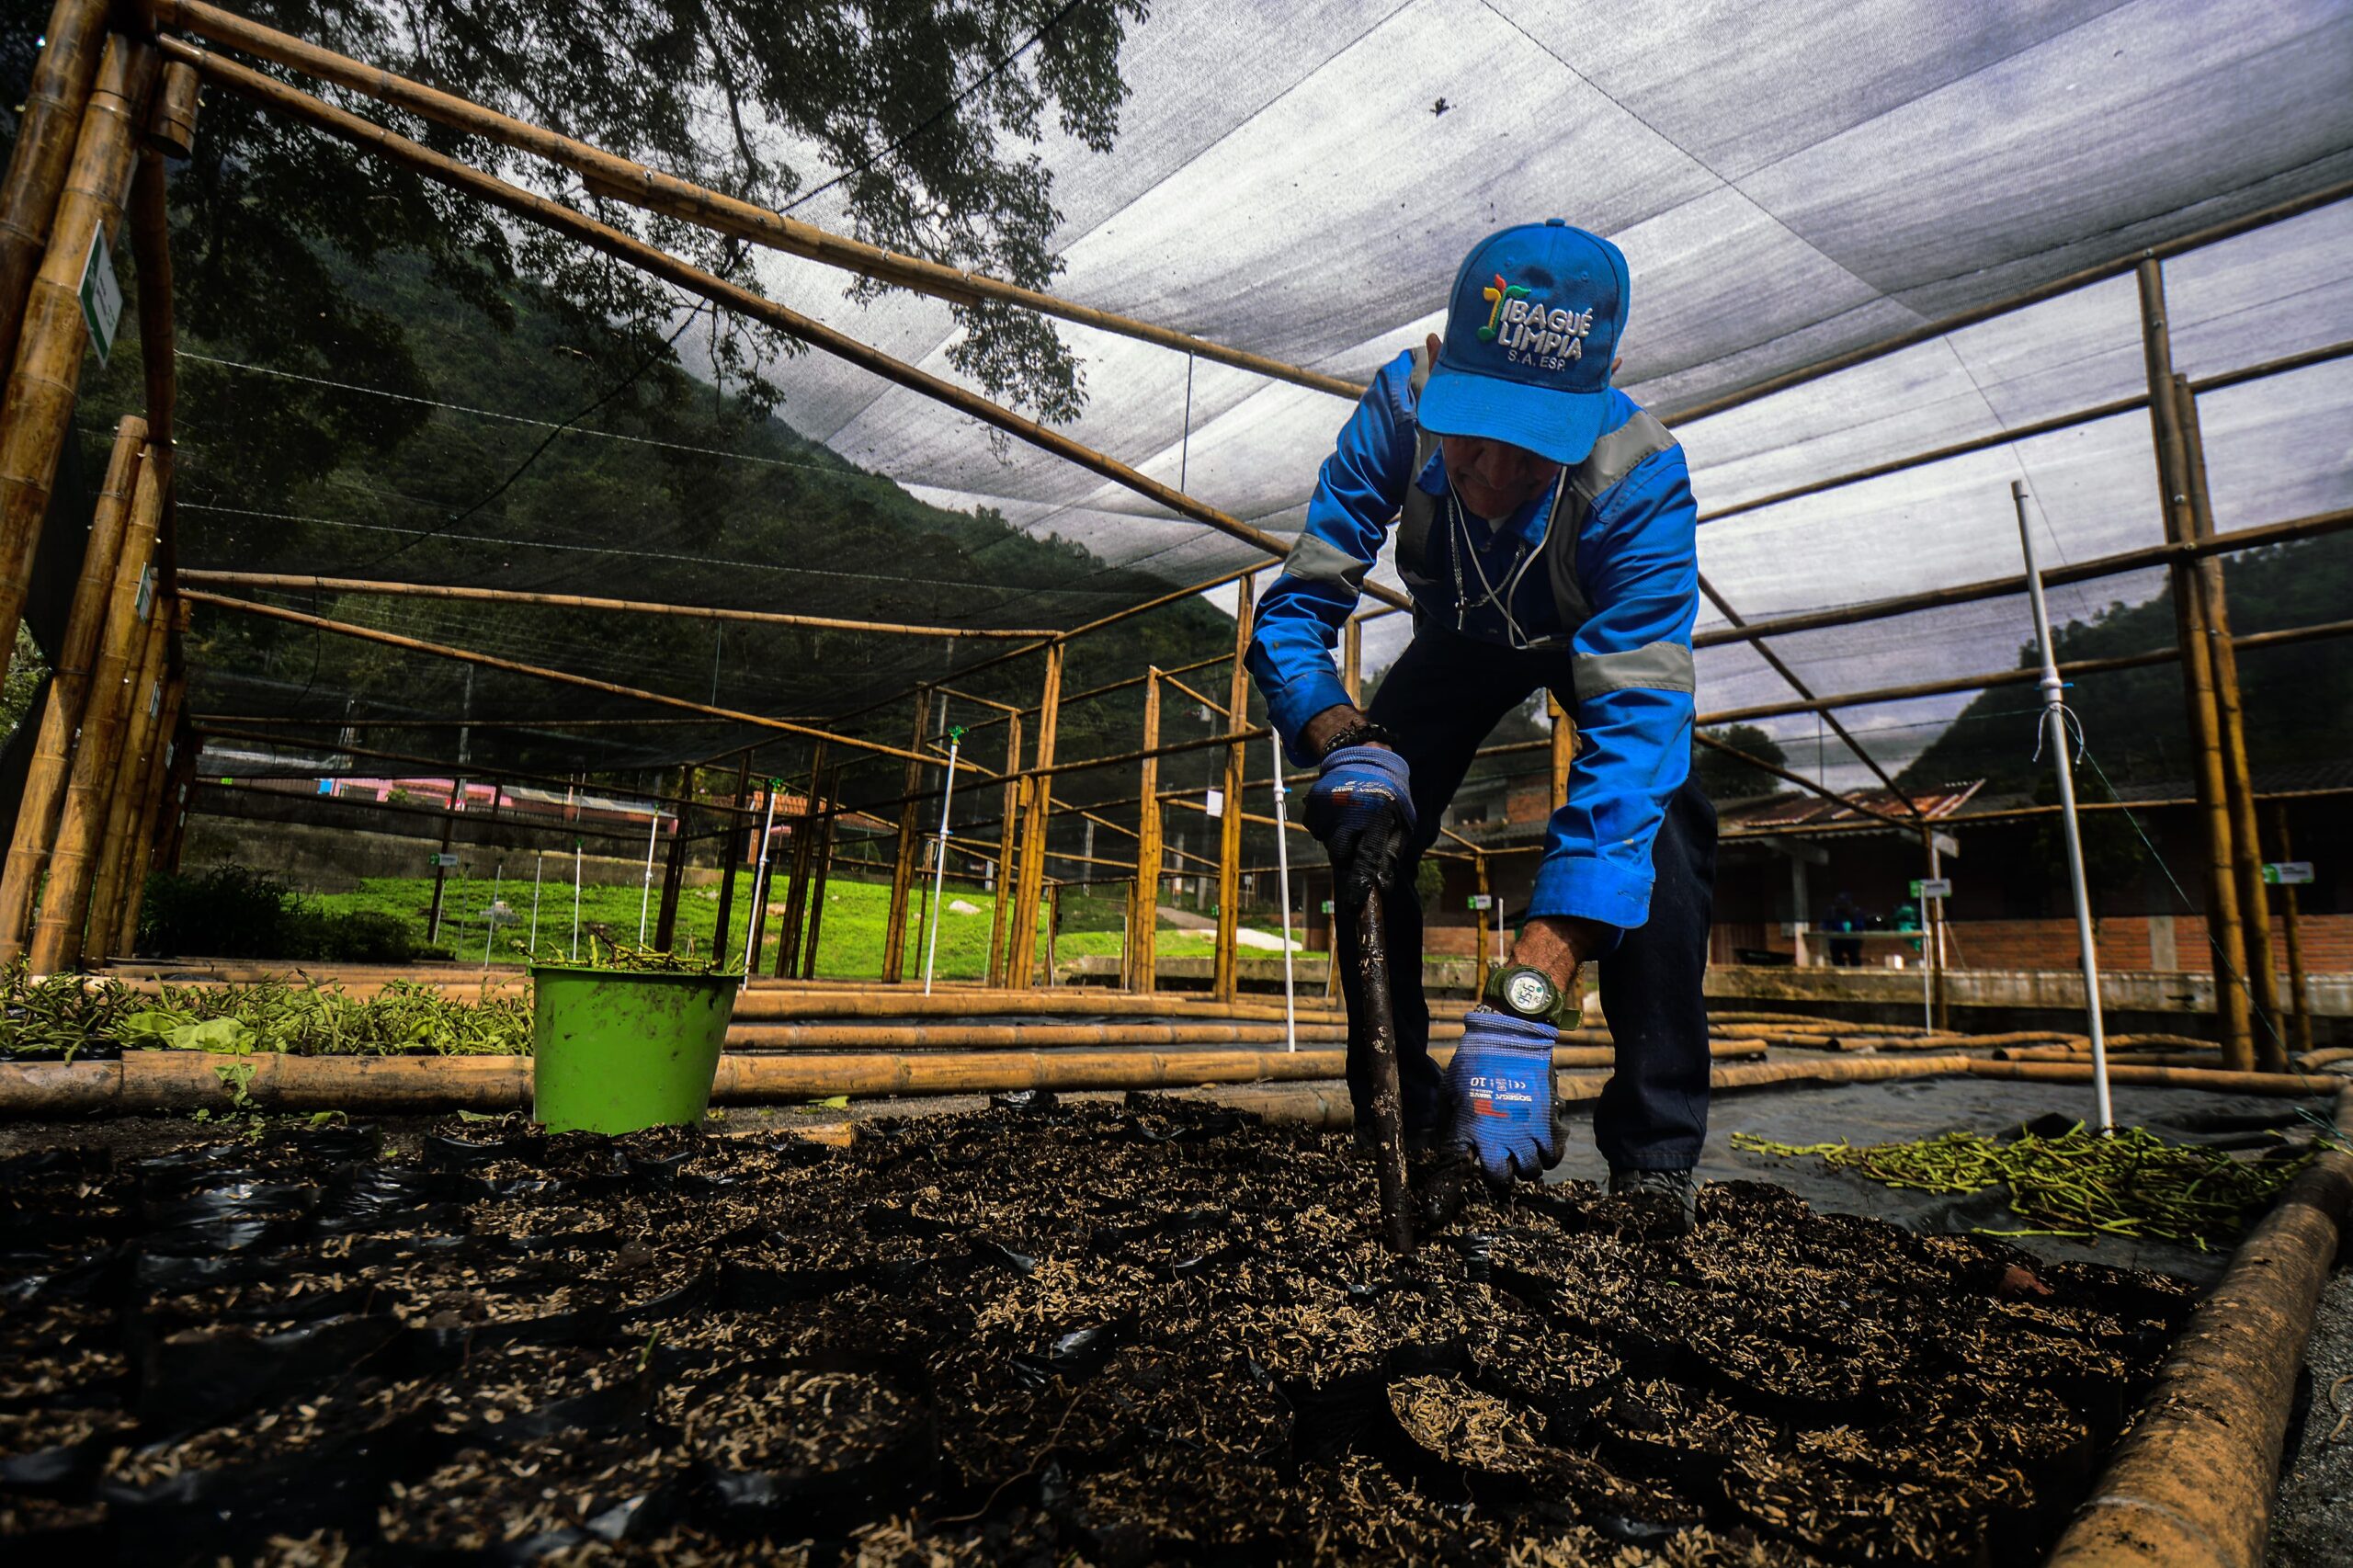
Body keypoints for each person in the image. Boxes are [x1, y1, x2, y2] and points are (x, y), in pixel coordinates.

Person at [1247, 220, 1715, 1235]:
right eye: (1472, 434)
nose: (1493, 479)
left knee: (1666, 825)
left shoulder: (1642, 484)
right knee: (1371, 817)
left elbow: (1634, 729)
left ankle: (1654, 1156)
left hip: (1580, 640)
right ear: (1438, 366)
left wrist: (1529, 990)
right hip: (1456, 636)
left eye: (1533, 448)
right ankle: (1408, 1110)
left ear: (1599, 394)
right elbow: (1294, 609)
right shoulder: (1396, 409)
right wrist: (1333, 727)